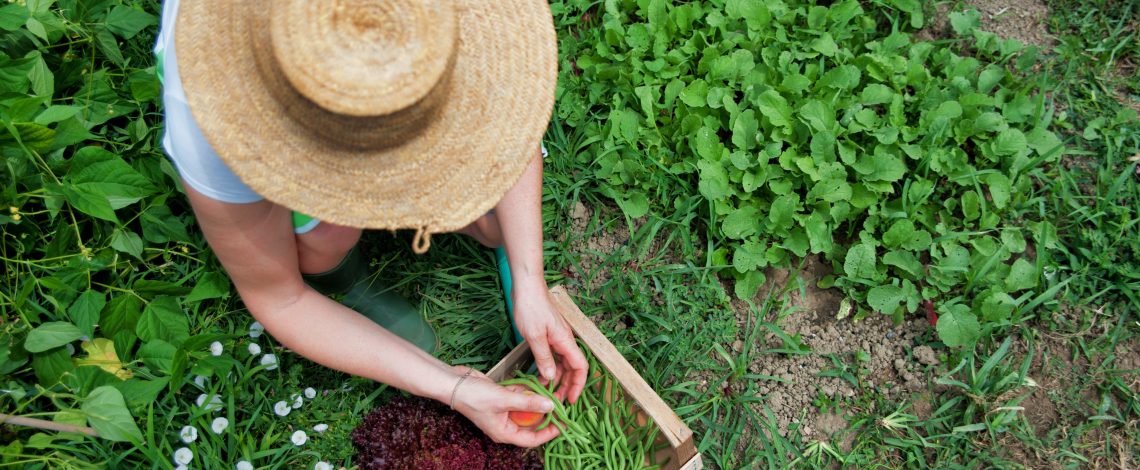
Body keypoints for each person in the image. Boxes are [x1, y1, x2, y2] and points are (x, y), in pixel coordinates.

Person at [155, 0, 587, 447]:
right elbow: (278, 298)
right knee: (328, 236)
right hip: (268, 119)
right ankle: (347, 277)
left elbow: (512, 132)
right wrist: (451, 385)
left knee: (500, 219)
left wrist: (530, 283)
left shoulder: (475, 21)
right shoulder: (215, 120)